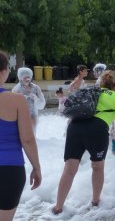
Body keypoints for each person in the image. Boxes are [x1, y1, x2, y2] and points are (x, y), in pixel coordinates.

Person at [52, 70, 115, 214]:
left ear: (100, 83)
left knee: (69, 169)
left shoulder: (89, 91)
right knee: (97, 166)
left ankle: (58, 207)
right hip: (97, 129)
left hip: (75, 127)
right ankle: (95, 201)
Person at [0, 51, 41, 221]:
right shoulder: (16, 100)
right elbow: (27, 139)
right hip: (9, 169)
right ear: (3, 72)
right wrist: (36, 167)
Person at [12, 67, 46, 134]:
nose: (27, 79)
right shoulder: (16, 89)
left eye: (29, 77)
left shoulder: (36, 88)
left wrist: (36, 99)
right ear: (20, 78)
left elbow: (42, 104)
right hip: (21, 115)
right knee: (22, 134)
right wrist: (21, 98)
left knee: (33, 134)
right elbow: (12, 106)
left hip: (33, 114)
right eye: (25, 77)